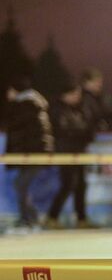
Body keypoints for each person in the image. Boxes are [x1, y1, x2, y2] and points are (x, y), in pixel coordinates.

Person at [44, 82, 97, 228]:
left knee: (81, 185)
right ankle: (51, 217)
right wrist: (83, 131)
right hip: (66, 152)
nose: (78, 97)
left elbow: (86, 125)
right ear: (65, 95)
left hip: (78, 151)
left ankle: (81, 219)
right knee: (68, 184)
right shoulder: (58, 110)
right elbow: (68, 129)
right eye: (75, 94)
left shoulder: (77, 109)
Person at [4, 77, 54, 231]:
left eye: (9, 90)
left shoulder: (25, 105)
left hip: (33, 153)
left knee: (20, 184)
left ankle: (29, 219)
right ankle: (30, 218)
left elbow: (18, 129)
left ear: (15, 91)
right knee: (20, 184)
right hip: (35, 152)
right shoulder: (33, 103)